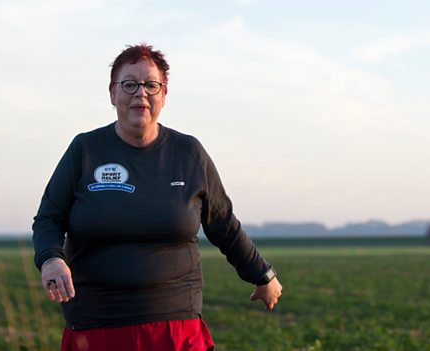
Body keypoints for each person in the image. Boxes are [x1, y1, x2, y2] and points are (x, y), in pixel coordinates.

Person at [32, 43, 283, 351]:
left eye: (151, 85)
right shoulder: (84, 150)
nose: (141, 93)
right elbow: (49, 217)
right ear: (112, 93)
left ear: (164, 94)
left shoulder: (188, 153)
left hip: (176, 328)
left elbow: (223, 224)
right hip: (96, 326)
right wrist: (51, 259)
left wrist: (262, 274)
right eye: (129, 84)